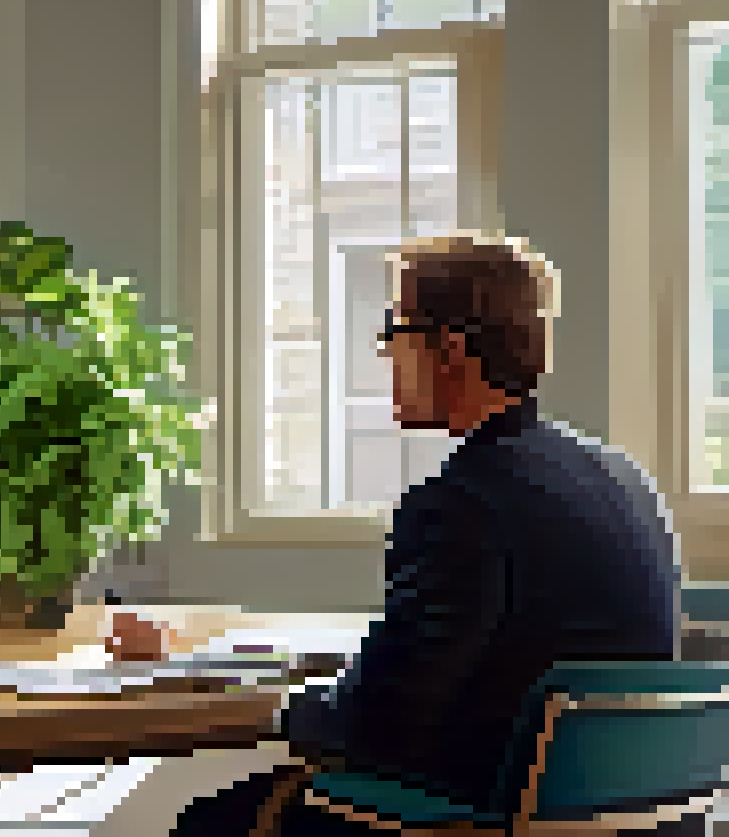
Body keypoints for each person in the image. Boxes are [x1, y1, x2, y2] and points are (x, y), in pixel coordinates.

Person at [172, 234, 689, 837]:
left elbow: (380, 725)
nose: (384, 352)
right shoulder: (626, 478)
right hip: (623, 823)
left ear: (448, 350)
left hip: (482, 819)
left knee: (224, 815)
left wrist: (284, 703)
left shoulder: (462, 501)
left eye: (393, 331)